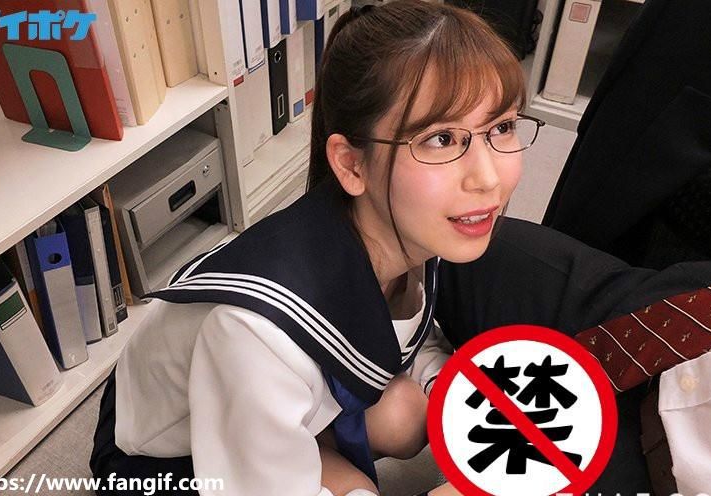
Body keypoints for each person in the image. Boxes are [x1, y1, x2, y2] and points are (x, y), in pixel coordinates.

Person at [90, 2, 531, 495]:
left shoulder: (404, 227)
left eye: (502, 127)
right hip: (159, 460)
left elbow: (404, 340)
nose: (488, 178)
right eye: (442, 139)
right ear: (351, 164)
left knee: (408, 416)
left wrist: (472, 399)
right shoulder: (255, 331)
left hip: (247, 398)